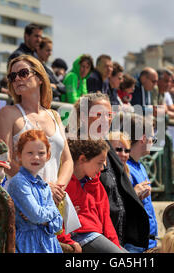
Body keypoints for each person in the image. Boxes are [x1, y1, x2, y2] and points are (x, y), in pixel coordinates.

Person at [69, 93, 150, 250]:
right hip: (85, 232)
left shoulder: (105, 146)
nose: (105, 120)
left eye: (109, 115)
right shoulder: (74, 146)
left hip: (112, 232)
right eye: (99, 115)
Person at [0, 54, 73, 206]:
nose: (17, 79)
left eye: (23, 73)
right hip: (22, 199)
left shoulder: (55, 115)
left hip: (52, 201)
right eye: (12, 76)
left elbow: (68, 161)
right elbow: (5, 160)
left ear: (40, 78)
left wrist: (58, 189)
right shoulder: (8, 113)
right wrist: (41, 187)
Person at [57, 137, 127, 253]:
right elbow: (58, 219)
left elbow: (105, 219)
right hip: (80, 237)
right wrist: (68, 241)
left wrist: (114, 244)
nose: (102, 168)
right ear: (82, 159)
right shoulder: (65, 183)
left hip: (96, 234)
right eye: (99, 163)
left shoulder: (95, 184)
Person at [7, 129, 63, 253]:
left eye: (41, 153)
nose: (36, 157)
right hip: (28, 245)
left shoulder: (44, 186)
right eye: (30, 153)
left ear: (48, 156)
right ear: (19, 155)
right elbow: (36, 215)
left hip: (49, 244)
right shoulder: (19, 182)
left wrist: (45, 221)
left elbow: (59, 223)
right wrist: (52, 213)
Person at [125, 114, 158, 252]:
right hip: (134, 245)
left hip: (149, 242)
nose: (152, 142)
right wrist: (134, 194)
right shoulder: (124, 166)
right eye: (153, 138)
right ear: (143, 138)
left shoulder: (140, 166)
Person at [36, 36, 65, 102]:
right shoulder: (31, 67)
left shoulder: (48, 69)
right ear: (38, 49)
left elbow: (63, 88)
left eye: (51, 50)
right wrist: (50, 86)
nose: (50, 54)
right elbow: (40, 89)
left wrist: (54, 86)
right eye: (47, 50)